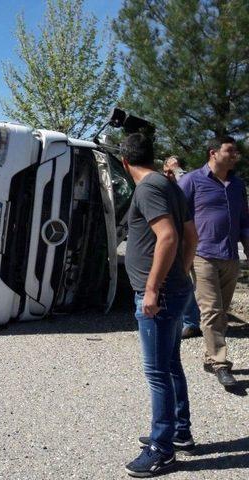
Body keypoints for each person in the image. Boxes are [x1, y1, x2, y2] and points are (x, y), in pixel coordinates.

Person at [121, 133, 198, 477]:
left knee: (157, 373)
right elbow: (191, 235)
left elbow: (168, 235)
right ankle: (178, 431)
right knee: (170, 364)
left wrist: (152, 289)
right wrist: (182, 269)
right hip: (174, 288)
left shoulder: (148, 188)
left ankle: (161, 449)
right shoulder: (170, 187)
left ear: (125, 162)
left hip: (161, 294)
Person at [178, 136, 248, 388]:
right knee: (212, 310)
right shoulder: (192, 181)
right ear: (213, 153)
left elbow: (244, 223)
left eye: (236, 152)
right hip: (203, 254)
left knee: (222, 312)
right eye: (230, 151)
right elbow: (177, 216)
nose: (235, 155)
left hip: (230, 256)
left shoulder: (238, 185)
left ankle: (209, 357)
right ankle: (220, 363)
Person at [162, 156, 202, 338]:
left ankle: (192, 322)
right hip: (175, 238)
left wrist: (177, 169)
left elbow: (183, 183)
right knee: (181, 280)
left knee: (186, 280)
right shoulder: (163, 183)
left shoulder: (188, 180)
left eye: (173, 164)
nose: (169, 168)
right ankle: (189, 320)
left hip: (190, 238)